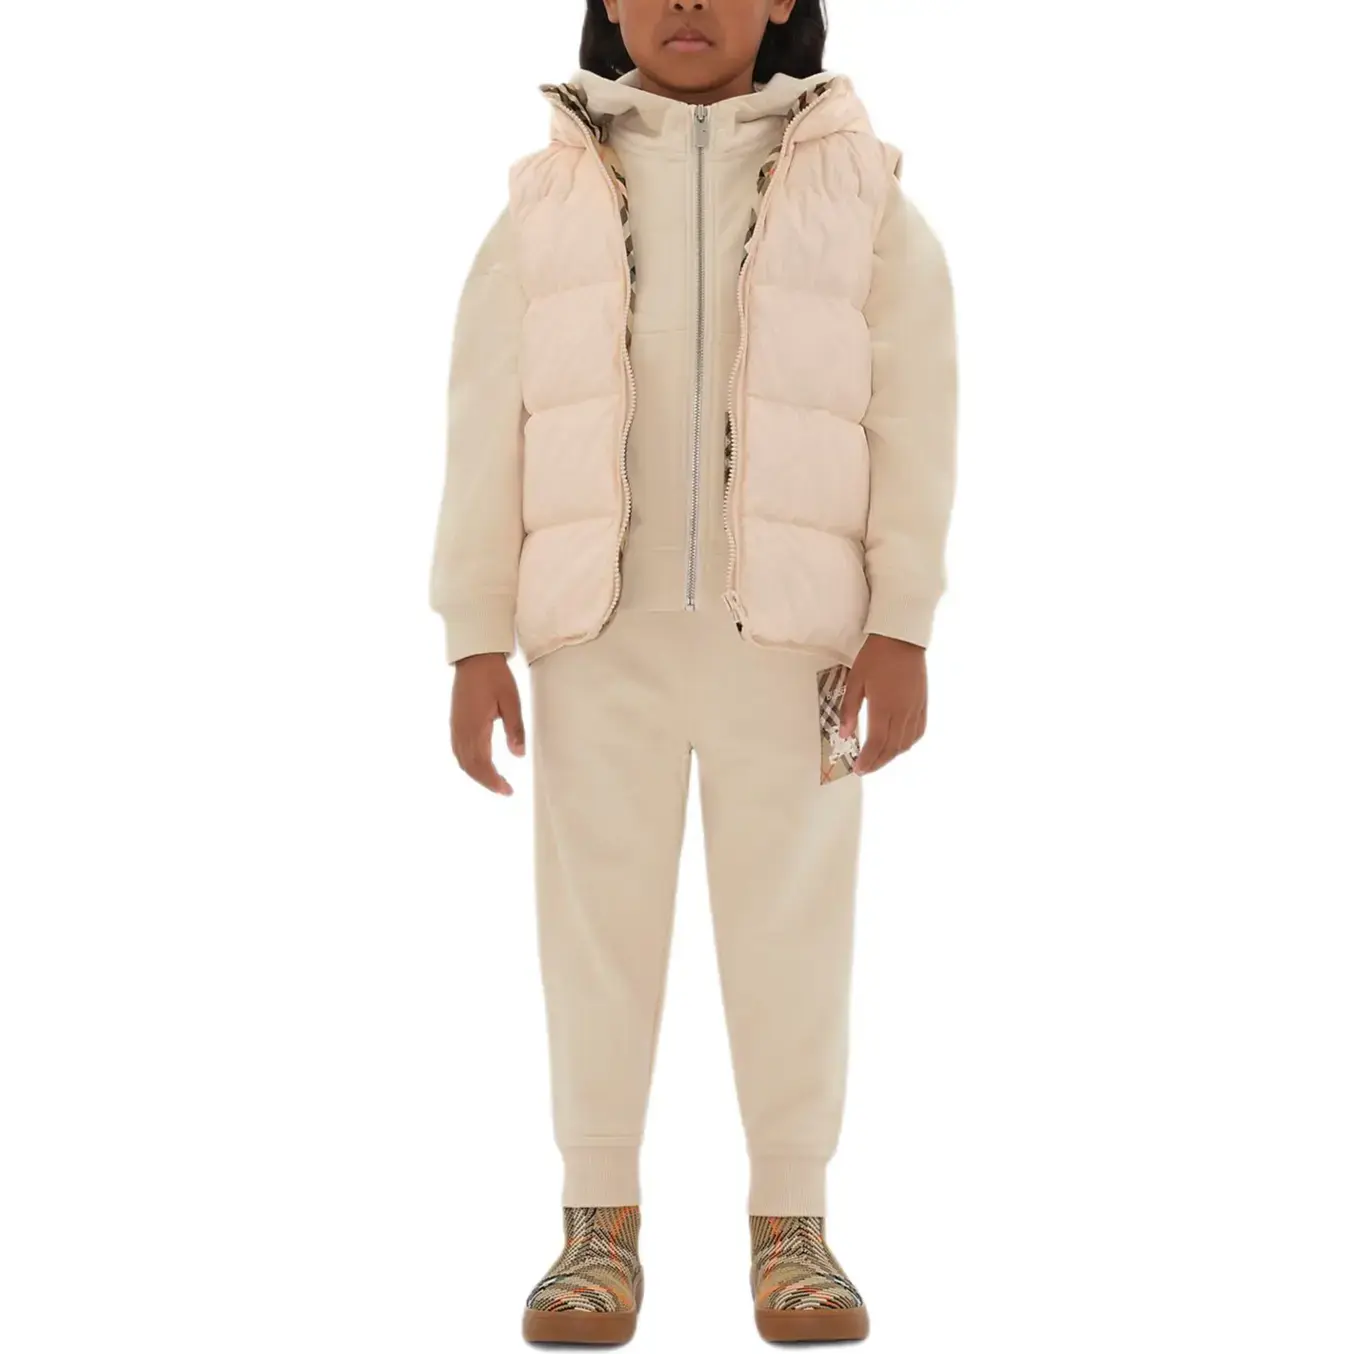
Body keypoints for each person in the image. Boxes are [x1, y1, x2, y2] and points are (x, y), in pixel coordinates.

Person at [429, 0, 957, 1342]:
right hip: (594, 637)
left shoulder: (863, 200)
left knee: (793, 930)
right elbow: (485, 420)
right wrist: (474, 632)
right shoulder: (546, 199)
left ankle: (794, 1222)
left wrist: (901, 620)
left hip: (798, 648)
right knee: (594, 933)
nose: (681, 3)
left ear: (781, 0)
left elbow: (915, 415)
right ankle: (596, 1223)